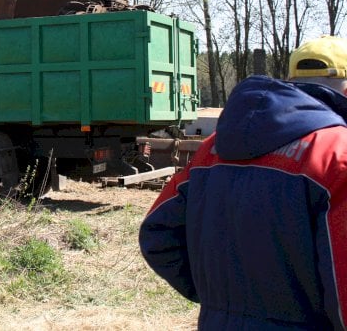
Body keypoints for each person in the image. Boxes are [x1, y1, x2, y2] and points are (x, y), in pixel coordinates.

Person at [139, 36, 347, 330]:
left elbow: (157, 235)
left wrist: (222, 303)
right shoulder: (336, 154)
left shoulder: (211, 149)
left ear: (289, 81)